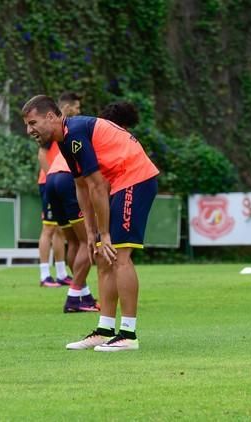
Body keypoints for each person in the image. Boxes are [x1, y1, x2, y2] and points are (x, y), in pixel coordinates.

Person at [22, 95, 158, 351]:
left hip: (135, 178)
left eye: (33, 123)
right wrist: (90, 230)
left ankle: (128, 334)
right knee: (104, 257)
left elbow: (96, 185)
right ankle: (105, 329)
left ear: (51, 117)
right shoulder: (64, 140)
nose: (30, 130)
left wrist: (104, 233)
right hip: (120, 182)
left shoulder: (73, 133)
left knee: (120, 255)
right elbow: (81, 186)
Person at [44, 142, 99, 312]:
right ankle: (73, 299)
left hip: (51, 179)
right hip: (68, 180)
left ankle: (85, 295)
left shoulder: (74, 134)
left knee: (74, 242)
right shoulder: (96, 136)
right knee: (88, 241)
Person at [35, 92, 82, 287]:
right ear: (68, 106)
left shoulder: (68, 127)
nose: (79, 110)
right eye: (77, 107)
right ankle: (45, 275)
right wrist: (51, 175)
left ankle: (62, 273)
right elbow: (41, 154)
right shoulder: (51, 125)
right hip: (51, 182)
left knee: (62, 231)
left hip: (61, 181)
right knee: (48, 228)